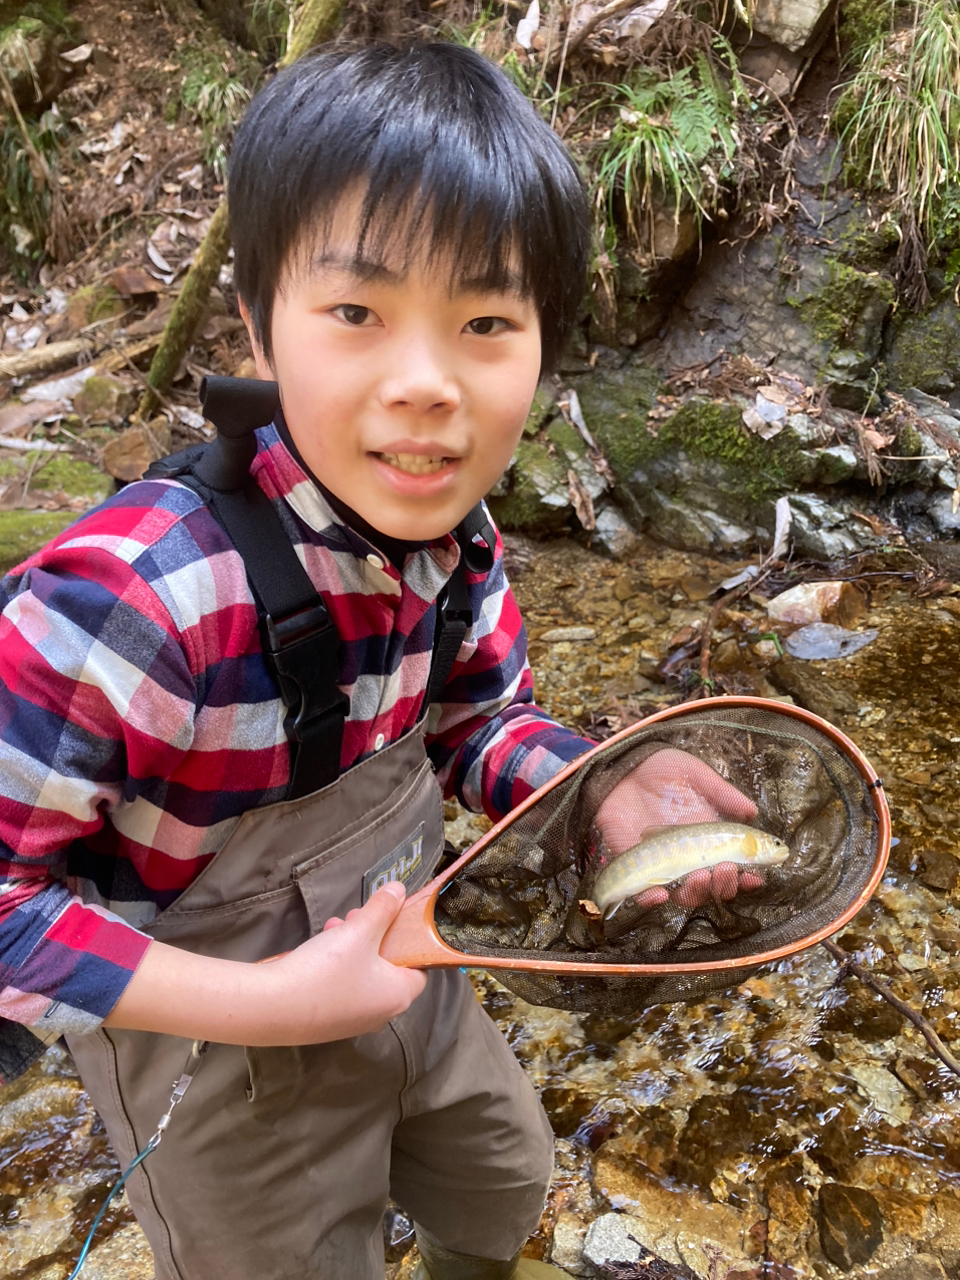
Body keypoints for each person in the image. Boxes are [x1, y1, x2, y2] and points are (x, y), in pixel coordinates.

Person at [0, 41, 758, 1280]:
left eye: (484, 322)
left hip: (412, 969)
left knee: (505, 1179)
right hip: (212, 1048)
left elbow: (477, 719)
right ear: (257, 321)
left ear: (543, 348)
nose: (425, 384)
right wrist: (281, 1003)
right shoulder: (137, 599)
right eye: (357, 312)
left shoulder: (460, 544)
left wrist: (595, 783)